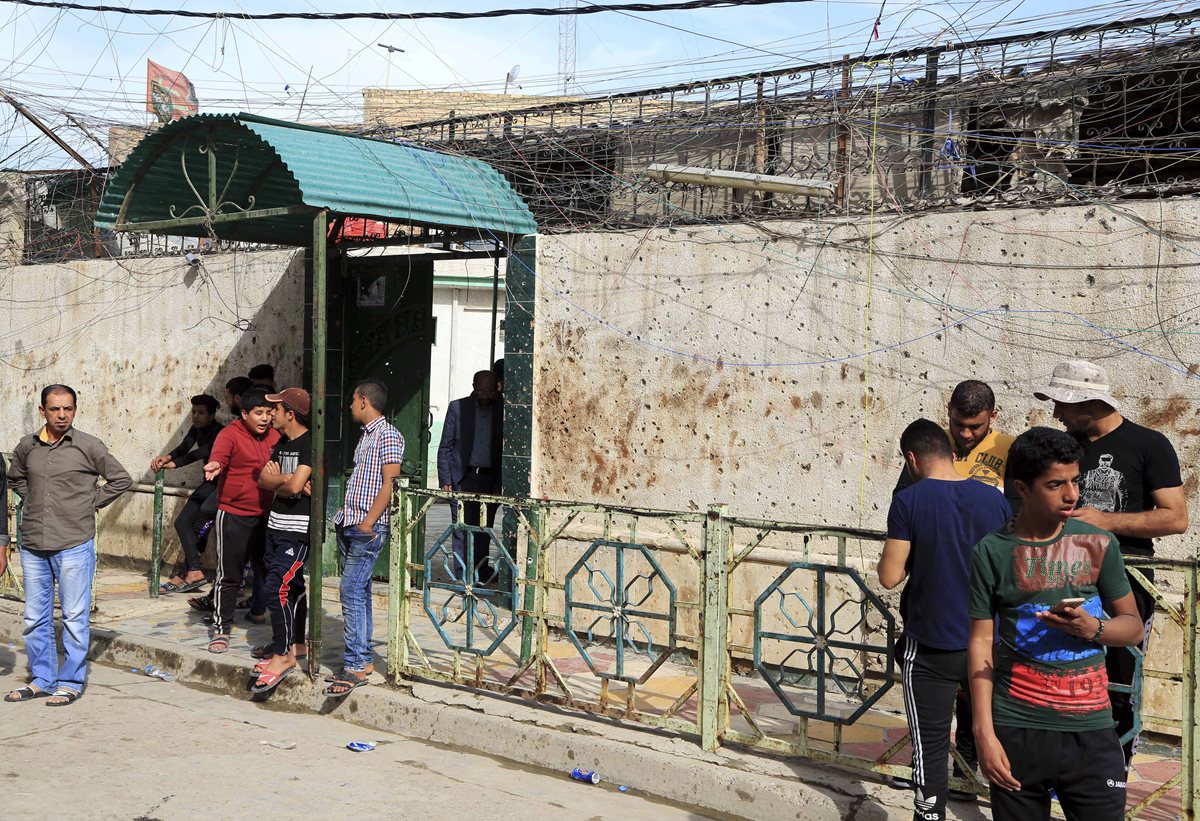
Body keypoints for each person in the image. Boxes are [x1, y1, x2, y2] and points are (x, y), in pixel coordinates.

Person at [968, 426, 1145, 820]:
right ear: (1022, 487)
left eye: (1074, 481)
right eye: (1055, 484)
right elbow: (980, 643)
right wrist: (984, 732)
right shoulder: (991, 552)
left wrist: (1092, 629)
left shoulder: (1097, 543)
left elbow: (1132, 626)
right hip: (1017, 728)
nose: (1072, 494)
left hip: (1092, 732)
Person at [1035, 359, 1188, 765]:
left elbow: (1176, 516)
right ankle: (1065, 772)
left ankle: (1112, 776)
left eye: (1064, 405)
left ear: (1089, 402)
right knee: (1064, 678)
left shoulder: (1149, 445)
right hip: (1067, 579)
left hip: (1128, 583)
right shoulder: (1065, 448)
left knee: (1121, 684)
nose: (1057, 414)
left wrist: (1106, 521)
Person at [878, 419, 1012, 821]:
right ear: (953, 455)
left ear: (912, 459)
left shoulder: (910, 500)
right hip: (988, 641)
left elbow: (889, 577)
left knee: (930, 743)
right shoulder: (995, 500)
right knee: (998, 733)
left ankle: (930, 815)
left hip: (932, 641)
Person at [3, 385, 131, 706]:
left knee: (74, 617)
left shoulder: (89, 446)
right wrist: (30, 500)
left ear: (75, 410)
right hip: (33, 542)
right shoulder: (26, 447)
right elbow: (15, 478)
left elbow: (121, 479)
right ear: (42, 411)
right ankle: (43, 678)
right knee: (35, 617)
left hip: (74, 543)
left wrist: (89, 503)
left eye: (68, 409)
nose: (62, 415)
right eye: (55, 409)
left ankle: (70, 680)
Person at [325, 378, 403, 698]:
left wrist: (369, 523)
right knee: (361, 592)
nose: (349, 405)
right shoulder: (367, 436)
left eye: (352, 399)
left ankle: (355, 664)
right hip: (352, 522)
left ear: (363, 402)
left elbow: (390, 483)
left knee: (350, 591)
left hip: (366, 528)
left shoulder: (388, 435)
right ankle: (364, 659)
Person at [202, 386, 280, 653]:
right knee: (229, 575)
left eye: (269, 413)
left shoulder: (276, 436)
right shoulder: (229, 434)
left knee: (269, 571)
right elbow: (220, 455)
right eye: (259, 413)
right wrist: (216, 465)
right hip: (233, 515)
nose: (265, 419)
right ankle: (221, 629)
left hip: (267, 516)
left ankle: (262, 614)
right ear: (244, 413)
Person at [251, 388, 312, 693]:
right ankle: (296, 645)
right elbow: (264, 480)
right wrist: (287, 481)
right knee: (294, 587)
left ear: (290, 414)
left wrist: (286, 482)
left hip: (297, 530)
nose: (269, 413)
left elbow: (294, 486)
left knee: (278, 588)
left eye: (275, 409)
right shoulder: (281, 444)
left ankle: (281, 655)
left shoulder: (309, 444)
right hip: (275, 526)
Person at [152, 394, 223, 593]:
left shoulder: (220, 432)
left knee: (199, 529)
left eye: (201, 413)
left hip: (220, 487)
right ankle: (192, 572)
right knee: (183, 523)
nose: (196, 416)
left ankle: (189, 573)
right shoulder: (196, 429)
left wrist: (173, 465)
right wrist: (166, 457)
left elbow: (199, 454)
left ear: (211, 415)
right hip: (207, 484)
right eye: (194, 412)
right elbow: (184, 447)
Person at [437, 370, 503, 582]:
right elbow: (446, 446)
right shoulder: (458, 408)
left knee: (484, 529)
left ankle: (481, 572)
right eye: (481, 390)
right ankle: (463, 577)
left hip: (489, 480)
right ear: (473, 386)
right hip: (463, 478)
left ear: (497, 389)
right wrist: (446, 480)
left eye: (490, 391)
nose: (485, 395)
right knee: (462, 529)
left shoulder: (503, 410)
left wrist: (500, 483)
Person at [894, 380, 1015, 495]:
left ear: (992, 416)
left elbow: (1016, 508)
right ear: (949, 410)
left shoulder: (1011, 449)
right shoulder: (929, 443)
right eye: (958, 424)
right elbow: (903, 498)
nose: (965, 434)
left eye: (975, 427)